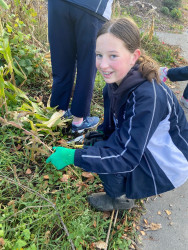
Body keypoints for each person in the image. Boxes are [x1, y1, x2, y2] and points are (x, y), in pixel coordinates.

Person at [46, 18, 188, 212]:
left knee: (107, 152)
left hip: (168, 164)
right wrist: (95, 141)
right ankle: (121, 186)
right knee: (96, 141)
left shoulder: (148, 97)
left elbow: (126, 156)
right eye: (98, 55)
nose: (103, 65)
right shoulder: (114, 84)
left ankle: (119, 200)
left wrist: (74, 156)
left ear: (133, 56)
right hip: (146, 146)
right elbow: (111, 126)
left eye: (113, 56)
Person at [48, 0, 113, 133]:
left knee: (61, 59)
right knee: (87, 66)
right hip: (93, 8)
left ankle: (58, 115)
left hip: (59, 4)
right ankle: (78, 121)